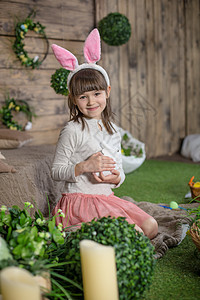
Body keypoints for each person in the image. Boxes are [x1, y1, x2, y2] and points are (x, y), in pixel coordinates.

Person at [51, 29, 158, 239]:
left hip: (106, 197)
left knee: (151, 227)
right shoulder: (73, 129)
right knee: (134, 234)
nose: (91, 102)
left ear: (107, 92)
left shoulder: (112, 130)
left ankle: (93, 233)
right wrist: (84, 166)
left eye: (97, 94)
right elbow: (56, 171)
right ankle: (75, 228)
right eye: (83, 97)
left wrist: (118, 177)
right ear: (73, 99)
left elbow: (117, 167)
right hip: (79, 201)